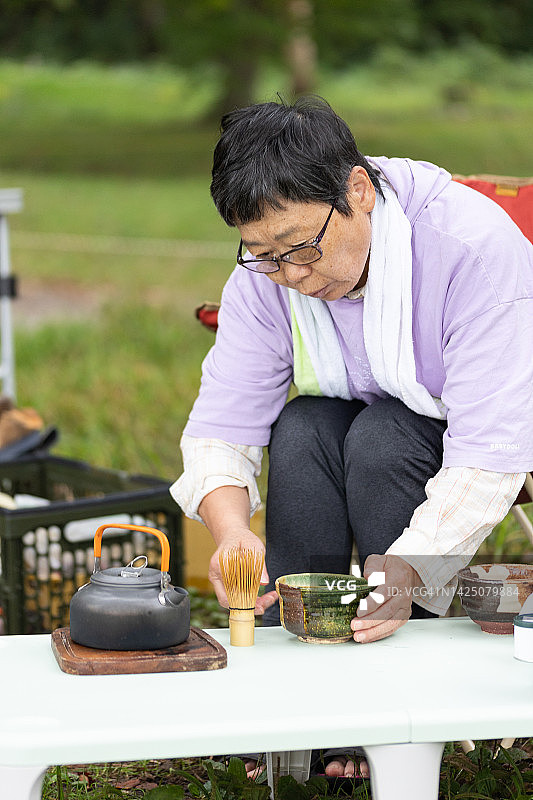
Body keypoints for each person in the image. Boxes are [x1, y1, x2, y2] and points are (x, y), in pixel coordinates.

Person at [171, 96, 533, 779]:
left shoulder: (469, 246)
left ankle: (394, 708)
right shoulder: (268, 273)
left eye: (302, 246)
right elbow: (223, 417)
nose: (292, 275)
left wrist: (404, 575)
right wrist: (230, 534)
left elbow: (491, 450)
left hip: (498, 426)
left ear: (357, 191)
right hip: (373, 421)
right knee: (303, 427)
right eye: (263, 254)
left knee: (383, 439)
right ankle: (291, 705)